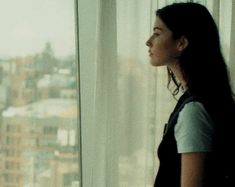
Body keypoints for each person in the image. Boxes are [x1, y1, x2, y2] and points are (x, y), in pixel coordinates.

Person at [145, 2, 235, 187]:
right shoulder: (206, 100)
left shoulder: (194, 111)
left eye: (157, 33)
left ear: (181, 43)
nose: (148, 41)